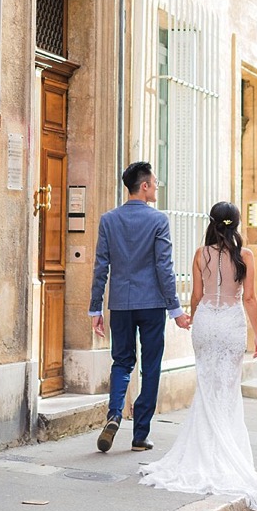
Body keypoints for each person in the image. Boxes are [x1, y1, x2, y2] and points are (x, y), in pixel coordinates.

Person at [140, 202, 257, 511]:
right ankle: (224, 453)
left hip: (208, 322)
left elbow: (196, 296)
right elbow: (248, 297)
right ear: (236, 224)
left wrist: (194, 319)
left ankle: (203, 452)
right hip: (231, 323)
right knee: (226, 390)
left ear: (212, 222)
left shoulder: (201, 254)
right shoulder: (246, 256)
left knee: (207, 388)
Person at [90, 161, 190, 453]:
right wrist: (176, 309)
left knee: (121, 362)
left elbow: (101, 267)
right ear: (144, 186)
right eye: (155, 183)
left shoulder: (109, 220)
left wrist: (96, 309)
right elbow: (164, 268)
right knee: (151, 365)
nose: (157, 187)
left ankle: (114, 414)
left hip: (120, 303)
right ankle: (140, 435)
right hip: (152, 305)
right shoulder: (158, 221)